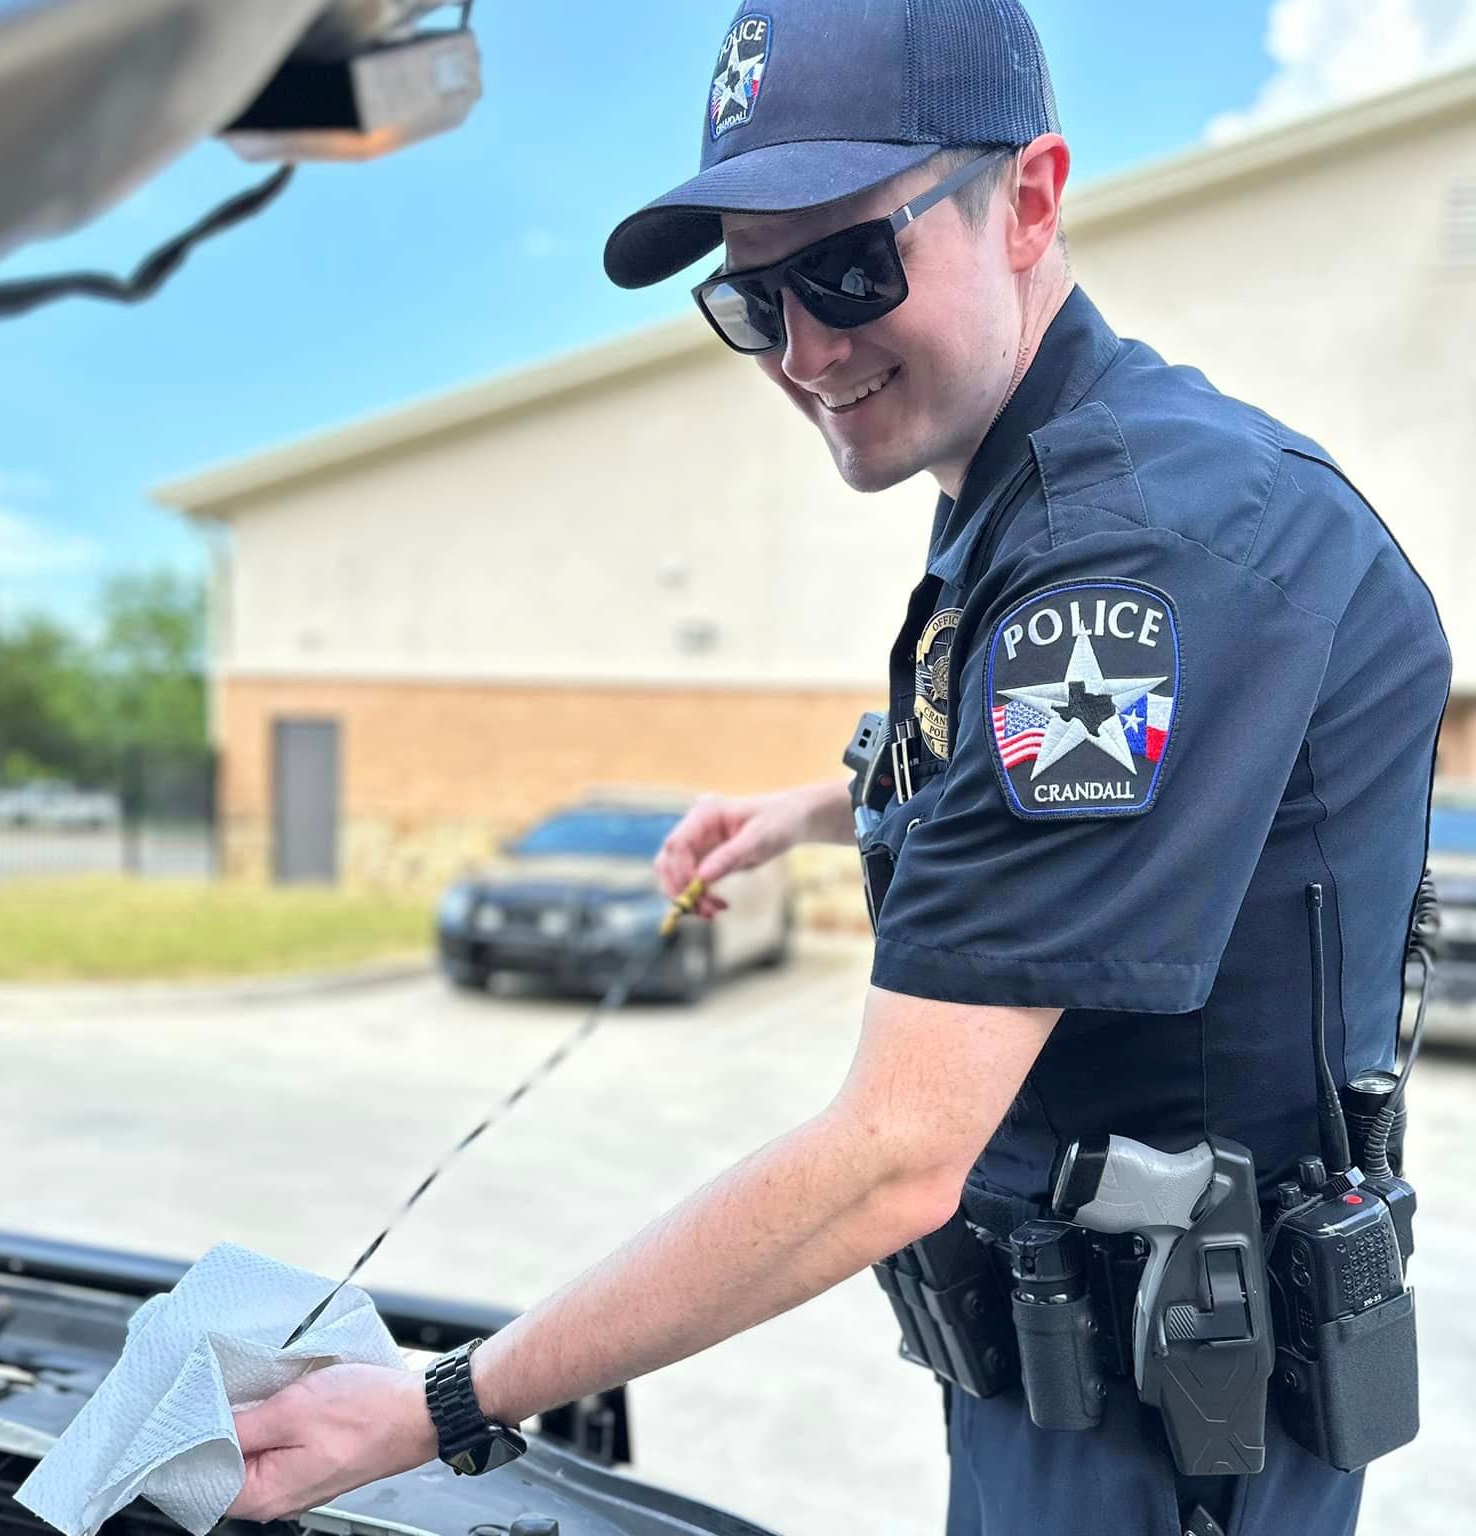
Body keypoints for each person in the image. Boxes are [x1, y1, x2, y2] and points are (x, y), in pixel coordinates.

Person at [226, 3, 1450, 1533]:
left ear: (1032, 199)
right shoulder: (1026, 480)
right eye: (751, 300)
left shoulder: (1133, 548)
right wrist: (810, 813)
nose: (805, 349)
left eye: (850, 270)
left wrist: (442, 1400)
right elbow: (1031, 778)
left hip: (1176, 1432)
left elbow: (890, 1157)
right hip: (1078, 1371)